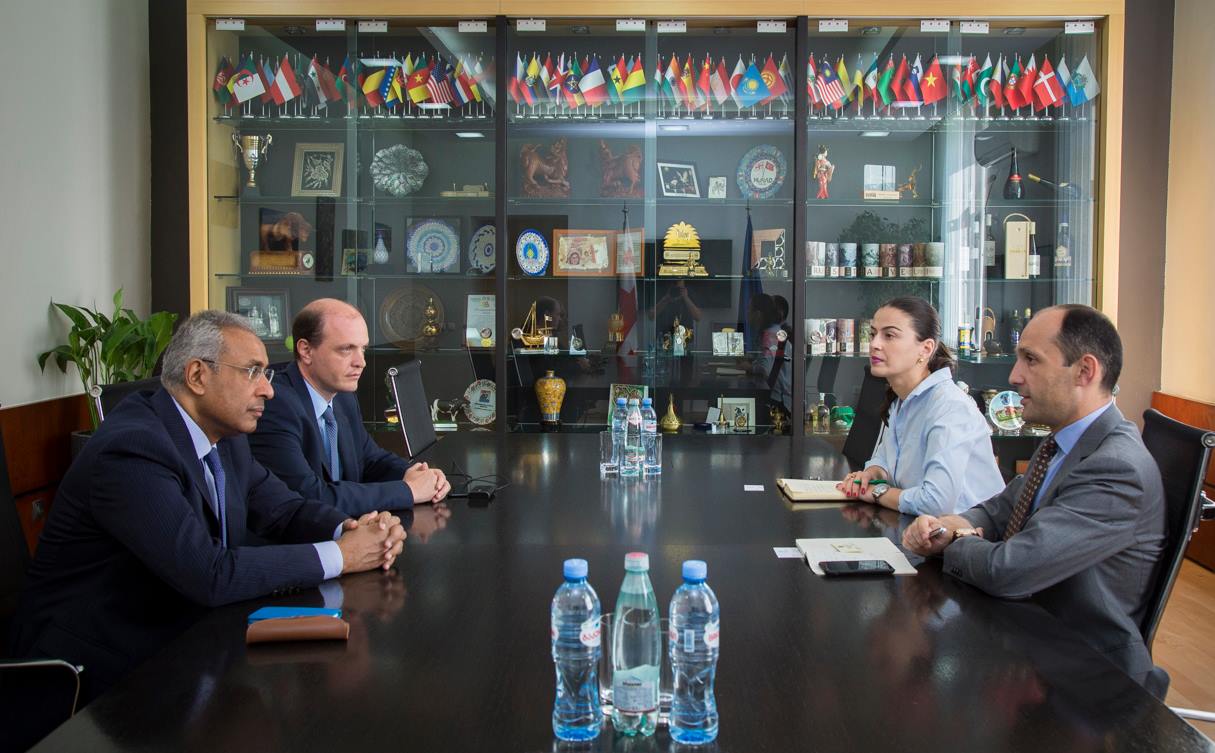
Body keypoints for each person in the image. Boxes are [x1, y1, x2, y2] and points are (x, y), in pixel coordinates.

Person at [9, 311, 406, 703]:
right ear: (198, 375)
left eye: (266, 374)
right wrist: (343, 555)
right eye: (252, 372)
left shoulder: (225, 436)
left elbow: (283, 510)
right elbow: (207, 572)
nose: (268, 390)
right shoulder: (132, 450)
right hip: (94, 673)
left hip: (184, 637)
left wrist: (351, 530)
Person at [902, 305, 1168, 697]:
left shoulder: (1115, 468)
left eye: (1031, 359)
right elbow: (999, 510)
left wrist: (955, 541)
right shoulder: (1064, 440)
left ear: (1085, 371)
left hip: (1085, 680)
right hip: (1030, 639)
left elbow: (1008, 570)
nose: (1014, 376)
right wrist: (952, 524)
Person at [249, 299, 449, 516]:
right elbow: (310, 497)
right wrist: (409, 490)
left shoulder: (343, 396)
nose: (361, 362)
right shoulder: (275, 404)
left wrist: (417, 474)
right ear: (306, 350)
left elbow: (370, 459)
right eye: (346, 349)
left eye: (363, 349)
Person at [838, 297, 1003, 516]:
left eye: (889, 335)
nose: (875, 344)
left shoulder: (950, 407)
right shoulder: (901, 399)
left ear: (926, 349)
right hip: (919, 527)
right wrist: (872, 473)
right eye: (873, 334)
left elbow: (935, 502)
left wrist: (876, 492)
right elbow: (887, 458)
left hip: (966, 533)